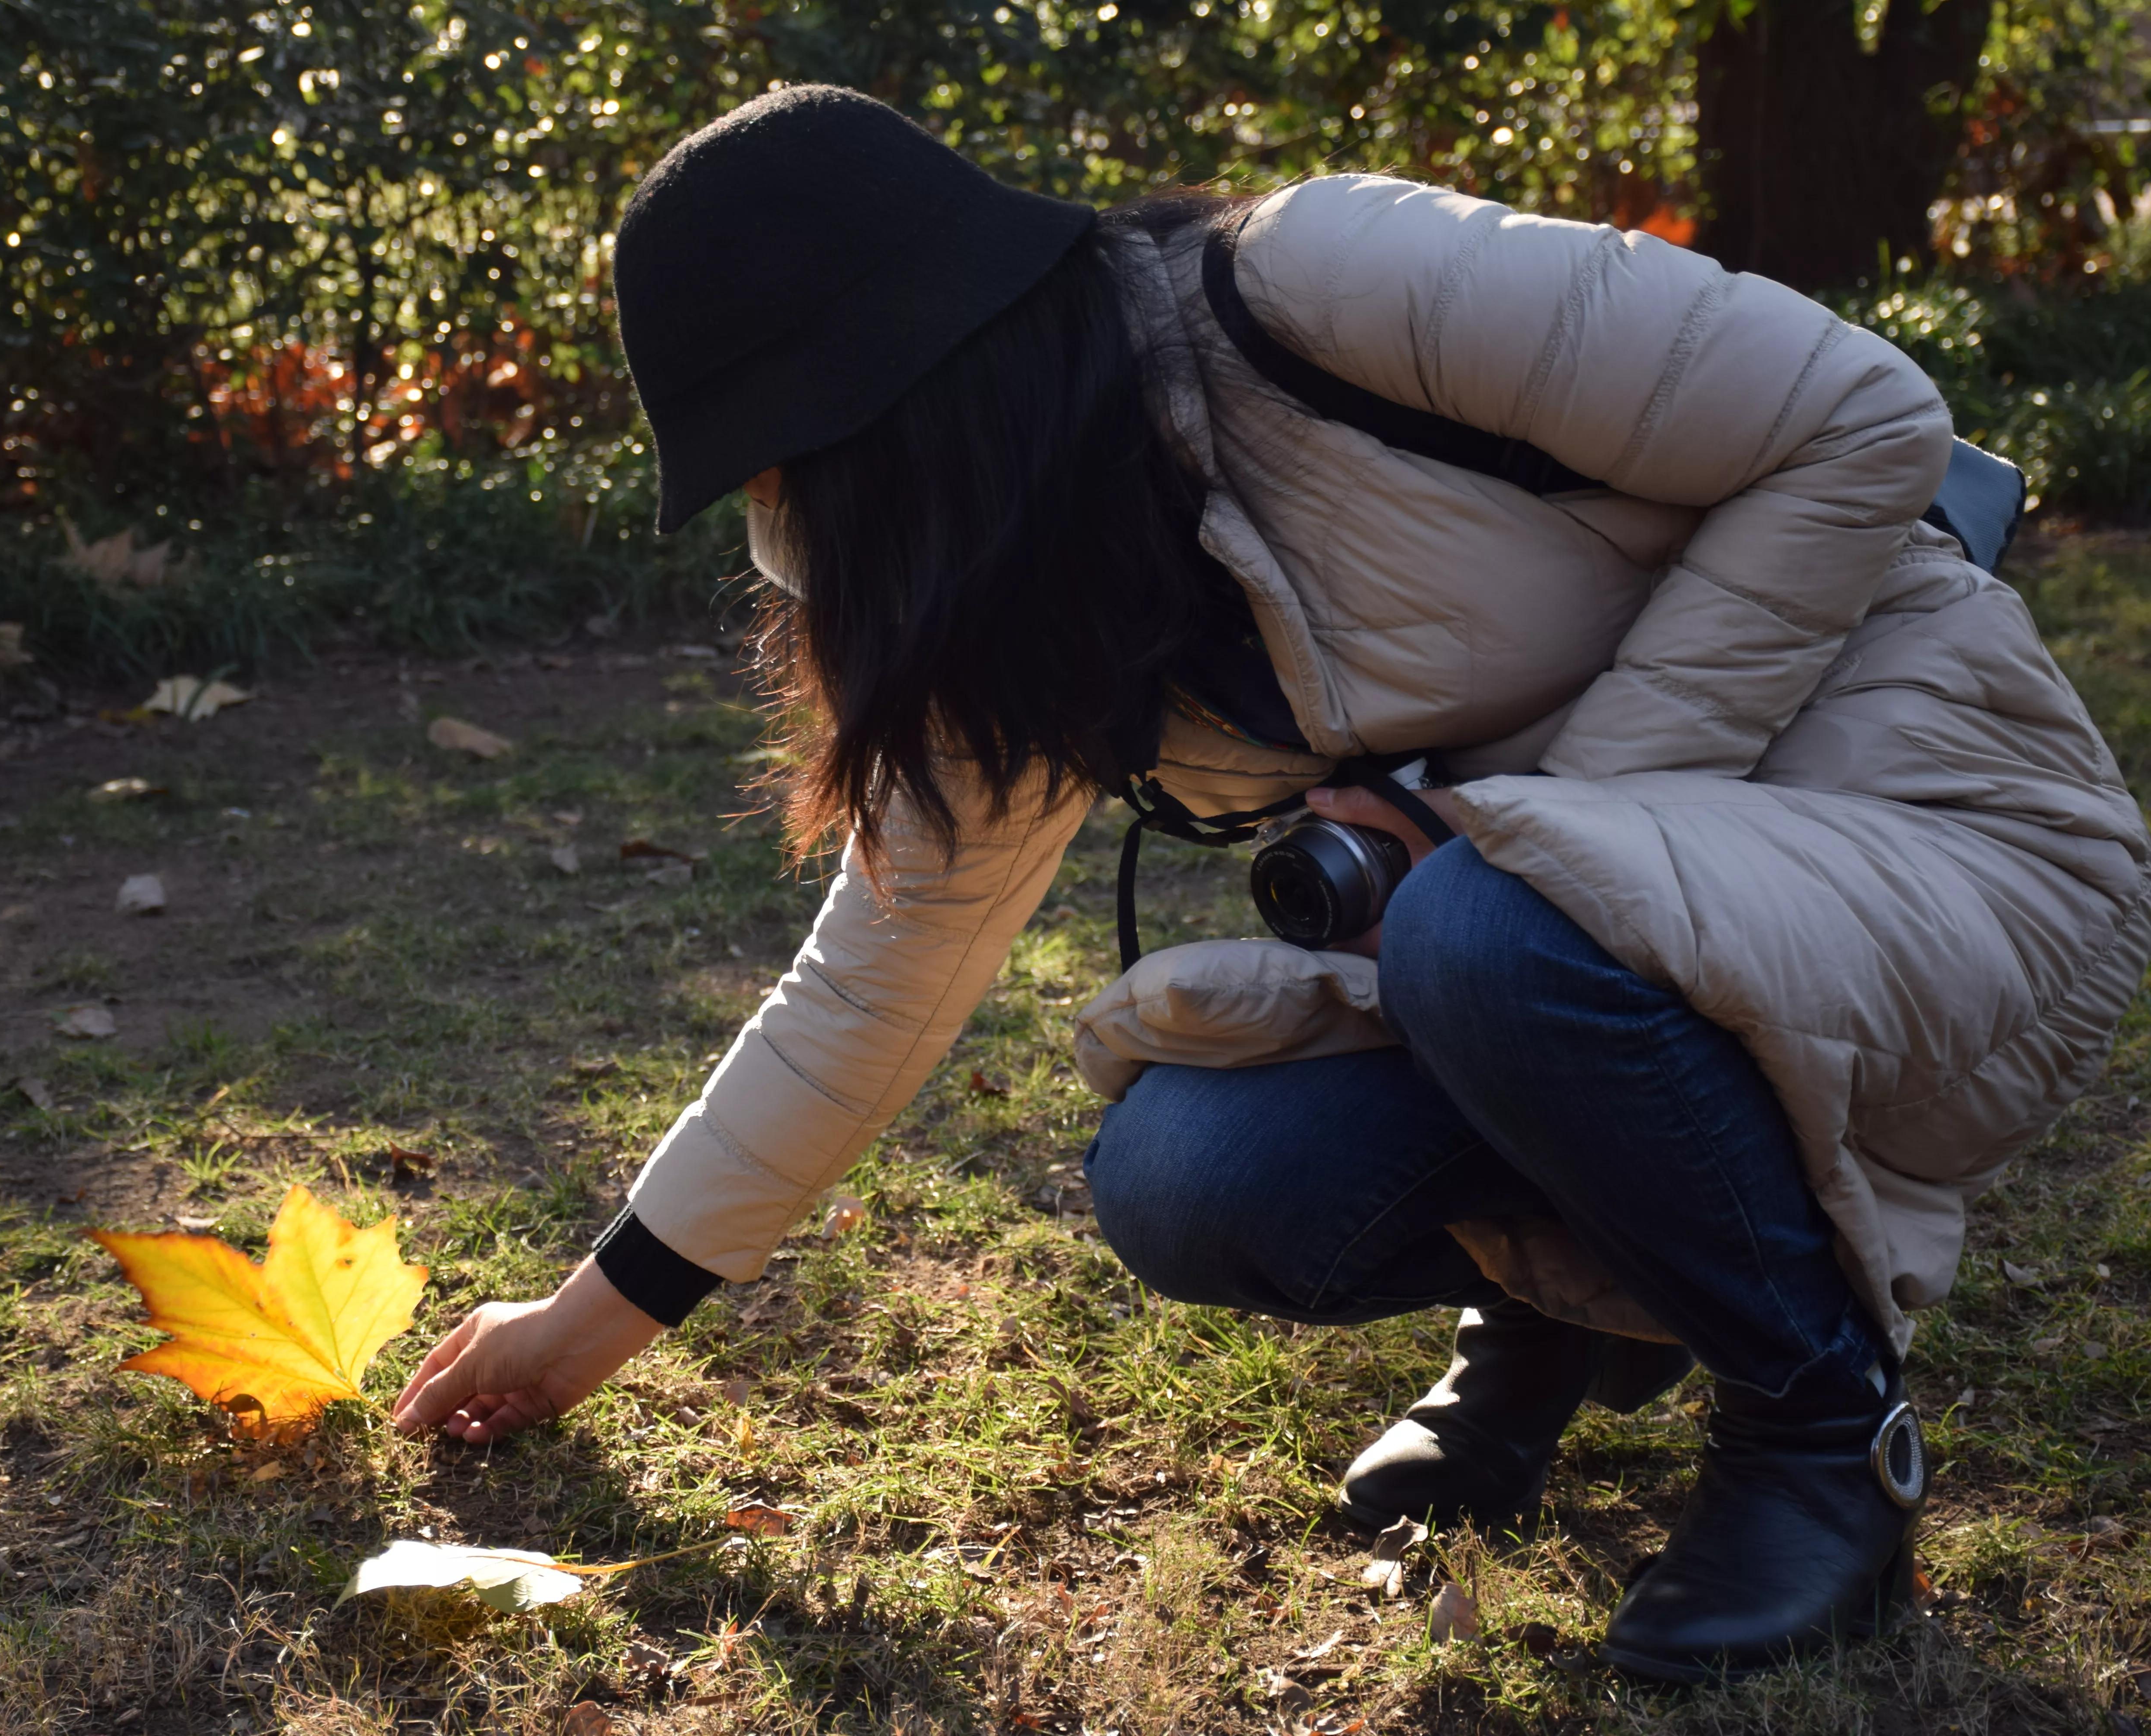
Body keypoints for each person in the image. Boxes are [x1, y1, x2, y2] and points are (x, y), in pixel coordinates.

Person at [391, 86, 2151, 1684]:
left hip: (1944, 833)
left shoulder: (1326, 282)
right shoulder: (1053, 583)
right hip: (1581, 954)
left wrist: (1509, 817)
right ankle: (1545, 1323)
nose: (799, 561)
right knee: (1192, 1171)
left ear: (921, 422)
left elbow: (1866, 420)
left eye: (797, 495)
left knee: (1478, 924)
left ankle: (1819, 1436)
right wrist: (584, 1324)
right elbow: (873, 979)